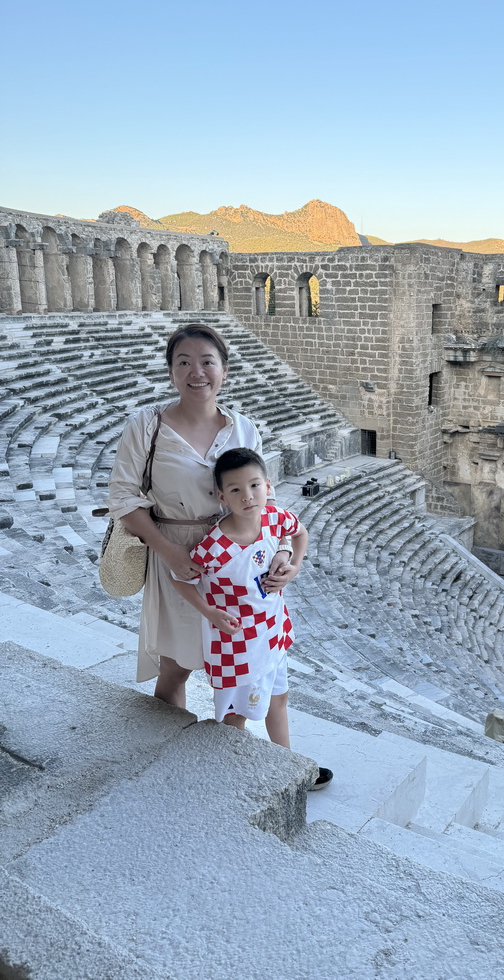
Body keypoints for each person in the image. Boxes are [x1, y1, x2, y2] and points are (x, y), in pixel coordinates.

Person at [108, 323, 297, 706]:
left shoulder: (243, 429)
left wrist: (284, 550)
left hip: (240, 562)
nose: (197, 372)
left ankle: (228, 750)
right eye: (184, 362)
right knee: (177, 666)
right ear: (171, 371)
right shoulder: (146, 426)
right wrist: (168, 551)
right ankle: (166, 746)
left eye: (207, 362)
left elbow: (266, 498)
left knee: (241, 664)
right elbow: (123, 496)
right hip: (177, 558)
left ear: (224, 371)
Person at [168, 448, 331, 789]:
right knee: (235, 715)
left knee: (279, 698)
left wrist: (294, 565)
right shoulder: (214, 546)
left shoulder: (274, 517)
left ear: (268, 485)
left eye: (255, 485)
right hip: (235, 645)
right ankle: (232, 782)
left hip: (272, 630)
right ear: (221, 496)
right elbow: (180, 579)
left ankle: (290, 770)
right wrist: (209, 611)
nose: (248, 496)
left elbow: (299, 532)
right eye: (236, 490)